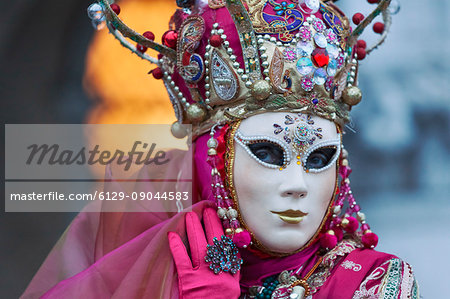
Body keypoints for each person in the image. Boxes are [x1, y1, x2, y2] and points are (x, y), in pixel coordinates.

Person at [22, 0, 419, 298]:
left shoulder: (372, 284)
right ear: (209, 163)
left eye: (319, 158)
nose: (298, 185)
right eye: (267, 153)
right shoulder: (151, 274)